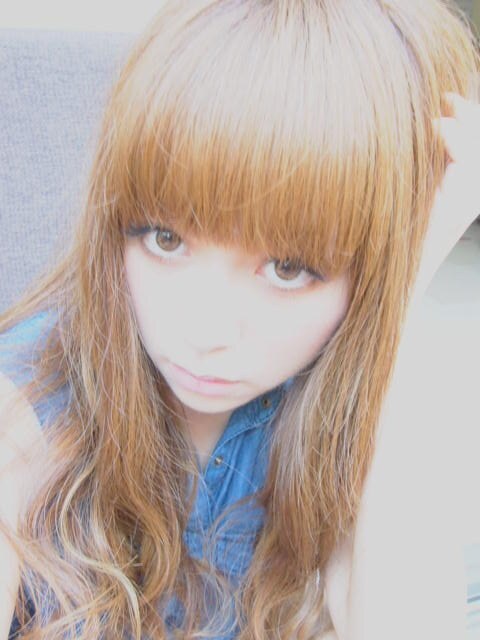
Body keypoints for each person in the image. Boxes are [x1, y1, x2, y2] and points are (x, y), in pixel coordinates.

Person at [0, 1, 479, 638]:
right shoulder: (33, 398)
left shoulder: (344, 416)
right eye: (165, 239)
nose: (204, 331)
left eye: (288, 268)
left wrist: (396, 304)